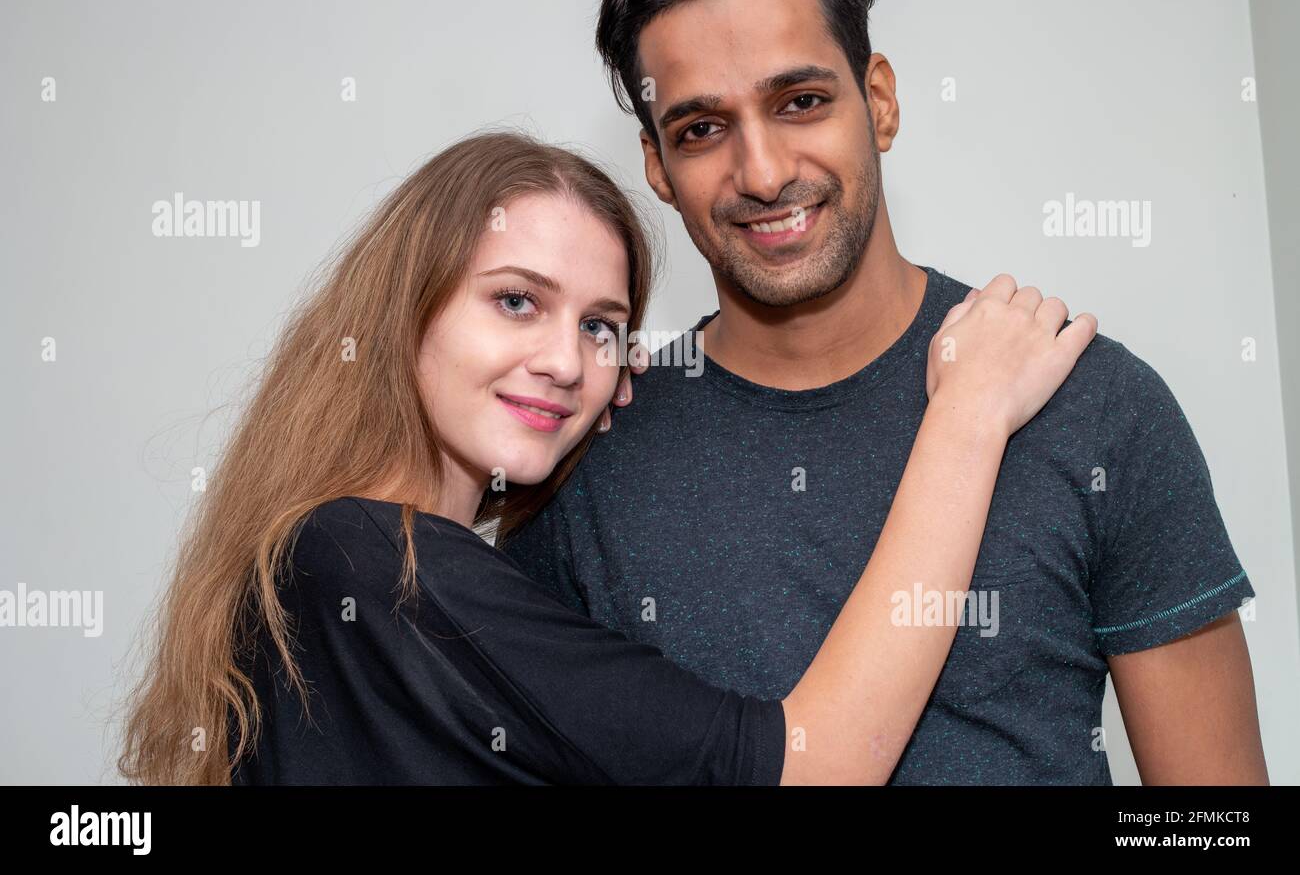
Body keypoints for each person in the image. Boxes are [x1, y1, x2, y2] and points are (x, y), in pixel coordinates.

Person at [500, 0, 1269, 784]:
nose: (761, 173)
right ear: (656, 165)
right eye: (702, 129)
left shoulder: (1093, 405)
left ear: (882, 100)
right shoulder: (586, 462)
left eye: (800, 102)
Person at [117, 129, 1094, 784]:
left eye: (600, 326)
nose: (563, 358)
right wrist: (966, 413)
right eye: (515, 301)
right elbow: (817, 761)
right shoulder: (381, 563)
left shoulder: (337, 557)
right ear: (401, 310)